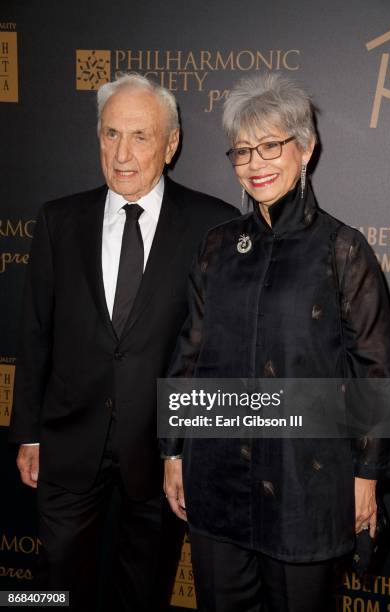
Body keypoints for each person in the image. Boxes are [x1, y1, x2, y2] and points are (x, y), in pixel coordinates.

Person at [162, 73, 390, 612]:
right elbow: (191, 353)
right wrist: (174, 452)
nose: (255, 163)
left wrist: (367, 477)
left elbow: (377, 371)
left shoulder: (342, 250)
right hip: (217, 477)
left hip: (306, 483)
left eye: (270, 145)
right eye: (243, 151)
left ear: (306, 147)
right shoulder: (216, 246)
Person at [9, 73, 238, 612]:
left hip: (162, 455)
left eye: (140, 136)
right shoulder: (58, 220)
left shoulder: (214, 226)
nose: (123, 154)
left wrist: (189, 446)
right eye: (111, 134)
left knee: (143, 591)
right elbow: (35, 331)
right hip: (66, 443)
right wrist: (28, 432)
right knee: (51, 590)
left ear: (171, 143)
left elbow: (217, 353)